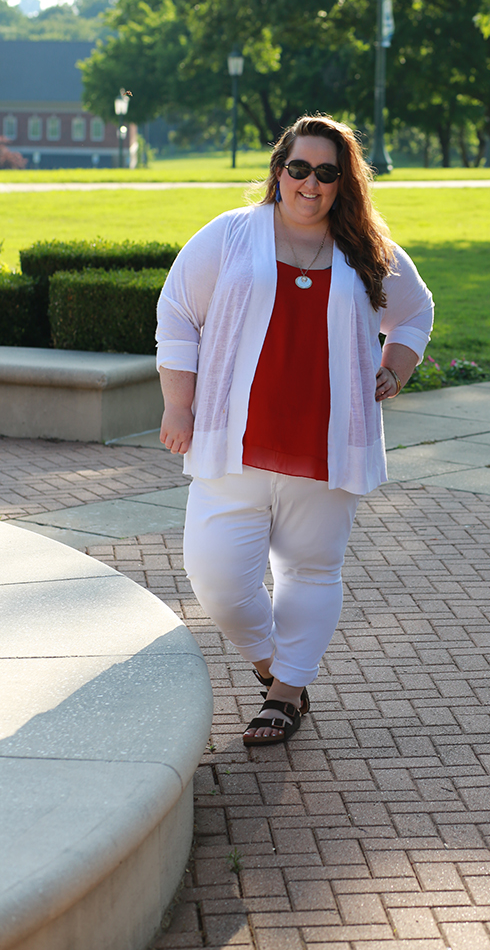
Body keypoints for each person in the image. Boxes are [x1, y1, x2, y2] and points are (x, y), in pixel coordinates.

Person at [156, 114, 433, 747]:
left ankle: (284, 695)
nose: (311, 183)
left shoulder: (367, 252)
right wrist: (179, 404)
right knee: (217, 579)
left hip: (328, 442)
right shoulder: (230, 236)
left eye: (327, 173)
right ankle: (273, 665)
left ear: (344, 183)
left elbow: (416, 312)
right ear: (279, 170)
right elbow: (176, 314)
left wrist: (398, 366)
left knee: (311, 570)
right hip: (233, 440)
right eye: (299, 168)